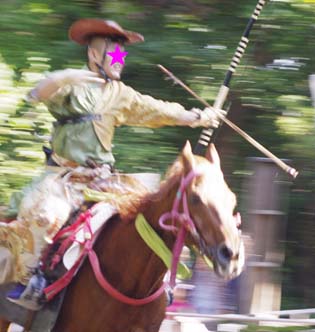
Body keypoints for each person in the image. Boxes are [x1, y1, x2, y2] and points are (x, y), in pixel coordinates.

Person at [0, 18, 219, 310]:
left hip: (103, 180)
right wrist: (67, 75)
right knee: (44, 216)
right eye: (114, 52)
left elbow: (157, 109)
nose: (120, 59)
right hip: (64, 179)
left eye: (122, 54)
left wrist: (198, 117)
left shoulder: (121, 94)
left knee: (154, 213)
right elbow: (37, 94)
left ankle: (161, 284)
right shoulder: (72, 86)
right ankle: (32, 280)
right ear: (94, 54)